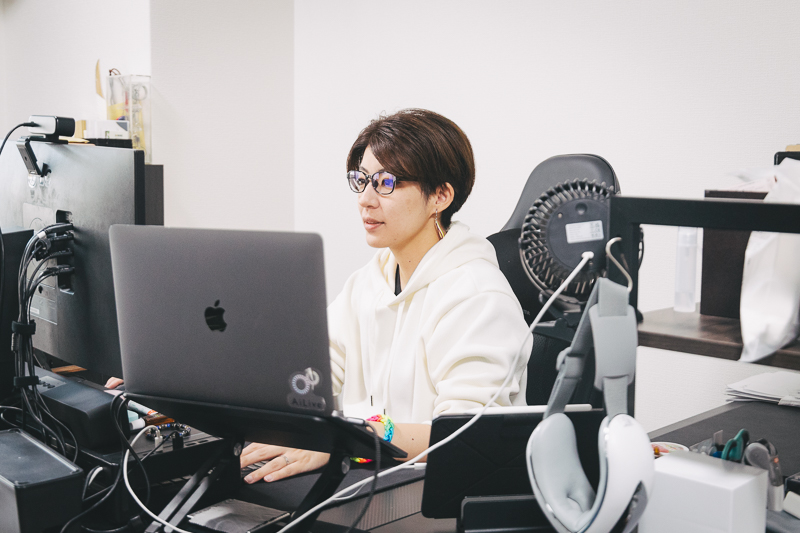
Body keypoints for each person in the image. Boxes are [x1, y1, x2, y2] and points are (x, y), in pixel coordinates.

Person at [239, 109, 532, 484]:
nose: (365, 199)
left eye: (386, 182)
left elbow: (462, 436)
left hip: (438, 490)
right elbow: (313, 375)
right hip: (371, 472)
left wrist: (345, 439)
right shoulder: (368, 282)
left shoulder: (478, 297)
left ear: (440, 196)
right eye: (361, 180)